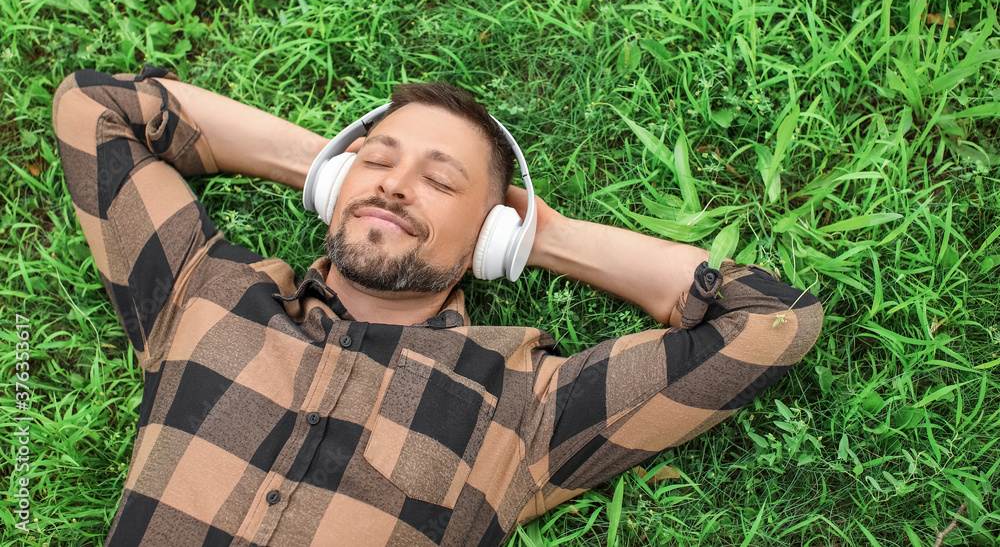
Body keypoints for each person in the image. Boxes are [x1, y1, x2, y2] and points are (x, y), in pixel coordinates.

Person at [52, 66, 823, 547]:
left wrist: (540, 237)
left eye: (441, 181)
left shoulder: (523, 404)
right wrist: (323, 167)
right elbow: (97, 106)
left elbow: (770, 322)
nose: (391, 183)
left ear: (490, 236)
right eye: (378, 160)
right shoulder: (203, 290)